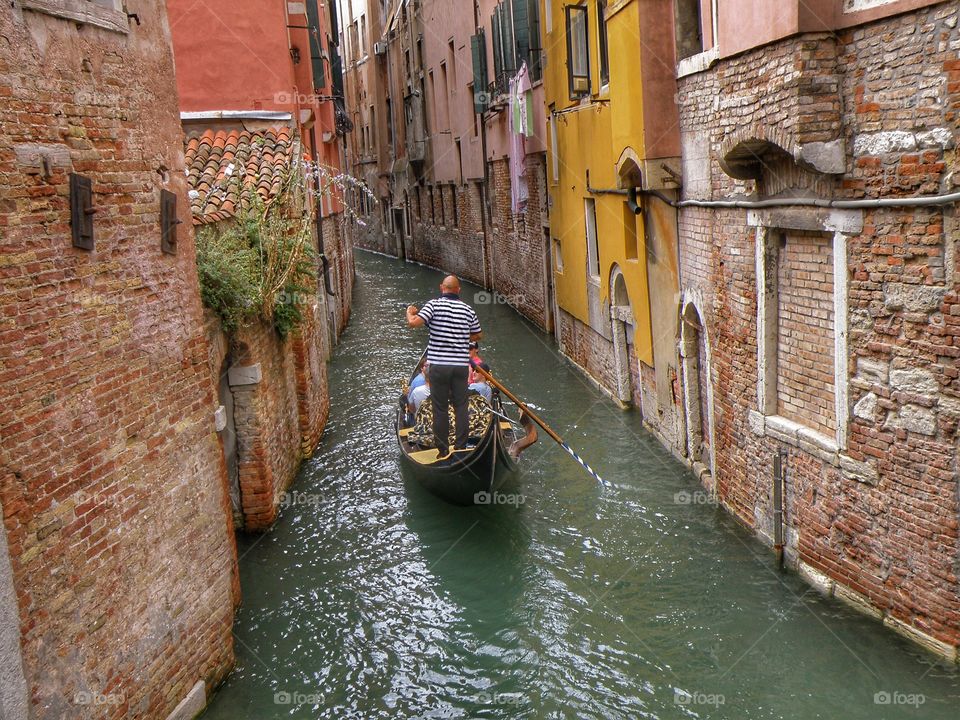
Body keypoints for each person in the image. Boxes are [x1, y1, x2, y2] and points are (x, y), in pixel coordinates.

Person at [406, 275, 482, 458]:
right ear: (459, 290)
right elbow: (478, 335)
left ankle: (443, 451)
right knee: (461, 406)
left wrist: (410, 311)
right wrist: (461, 336)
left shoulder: (433, 305)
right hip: (460, 367)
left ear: (442, 288)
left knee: (439, 408)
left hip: (439, 366)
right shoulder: (467, 309)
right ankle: (461, 447)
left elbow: (413, 323)